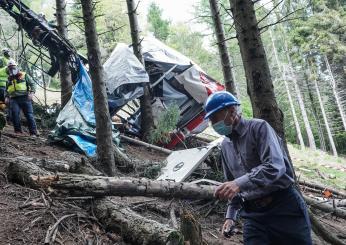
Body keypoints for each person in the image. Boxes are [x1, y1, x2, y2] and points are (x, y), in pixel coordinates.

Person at [204, 91, 312, 245]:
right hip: (253, 215)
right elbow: (232, 184)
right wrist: (230, 216)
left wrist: (239, 183)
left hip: (284, 208)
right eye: (211, 120)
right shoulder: (225, 146)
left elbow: (275, 166)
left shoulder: (259, 128)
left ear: (232, 112)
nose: (213, 124)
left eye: (215, 118)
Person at [5, 60, 38, 136]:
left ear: (16, 67)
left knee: (29, 115)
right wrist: (6, 97)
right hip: (13, 99)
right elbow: (6, 90)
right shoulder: (9, 79)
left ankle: (33, 133)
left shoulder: (24, 75)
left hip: (25, 98)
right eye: (9, 68)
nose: (11, 69)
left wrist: (32, 93)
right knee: (14, 114)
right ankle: (18, 131)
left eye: (13, 67)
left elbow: (32, 84)